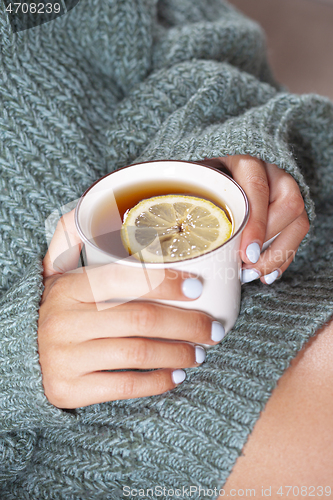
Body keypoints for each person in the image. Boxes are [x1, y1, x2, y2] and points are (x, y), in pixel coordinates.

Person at [0, 0, 332, 498]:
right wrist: (14, 367)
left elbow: (204, 40)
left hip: (285, 252)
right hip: (71, 426)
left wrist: (233, 141)